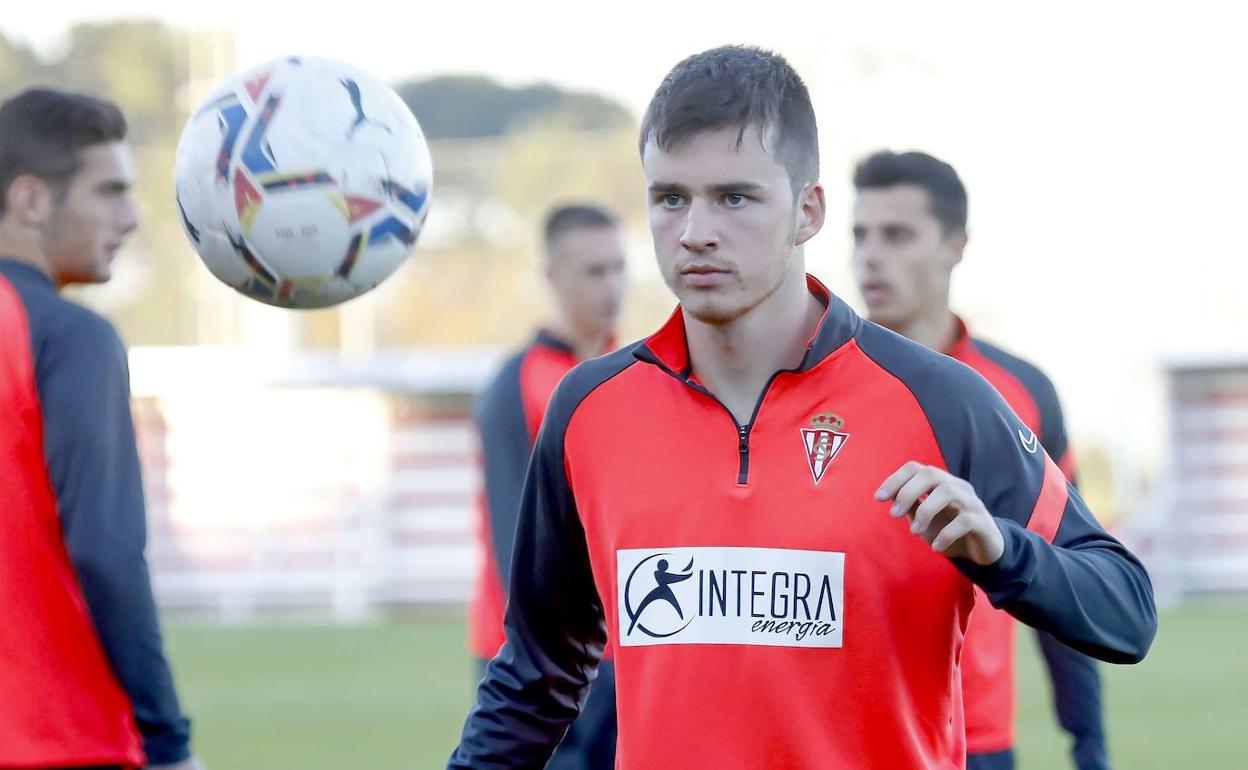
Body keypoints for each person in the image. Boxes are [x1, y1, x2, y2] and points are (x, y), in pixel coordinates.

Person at [448, 46, 1156, 769]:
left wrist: (1003, 552)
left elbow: (1126, 609)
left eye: (735, 197)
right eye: (670, 198)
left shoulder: (942, 401)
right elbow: (536, 678)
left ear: (807, 211)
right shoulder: (589, 410)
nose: (695, 231)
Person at [851, 149, 1112, 770]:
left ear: (956, 245)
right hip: (849, 738)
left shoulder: (1020, 393)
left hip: (979, 742)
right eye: (860, 233)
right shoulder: (811, 384)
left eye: (898, 234)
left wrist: (1090, 746)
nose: (870, 254)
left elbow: (1062, 567)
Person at [0, 87, 201, 770]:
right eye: (110, 191)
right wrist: (168, 739)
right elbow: (108, 554)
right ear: (29, 200)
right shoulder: (69, 336)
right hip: (57, 742)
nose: (133, 218)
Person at [468, 204, 626, 770]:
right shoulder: (517, 384)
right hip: (537, 660)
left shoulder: (633, 378)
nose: (611, 287)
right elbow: (517, 537)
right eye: (593, 271)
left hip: (625, 657)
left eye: (617, 268)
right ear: (552, 277)